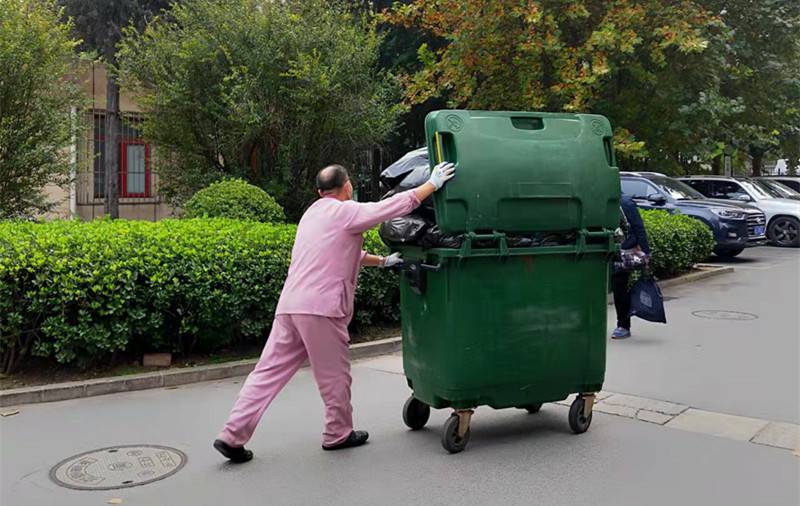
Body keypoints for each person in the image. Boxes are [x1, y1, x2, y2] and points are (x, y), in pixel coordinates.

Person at [213, 161, 456, 463]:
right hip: (321, 309)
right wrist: (431, 184)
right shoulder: (345, 212)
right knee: (335, 377)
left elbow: (344, 251)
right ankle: (338, 433)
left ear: (320, 192)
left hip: (290, 306)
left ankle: (231, 434)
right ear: (347, 186)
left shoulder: (311, 215)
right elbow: (389, 208)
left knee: (266, 373)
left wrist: (384, 262)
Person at [611, 195, 651, 339]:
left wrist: (646, 253)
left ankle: (623, 325)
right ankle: (622, 325)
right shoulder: (603, 202)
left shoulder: (625, 203)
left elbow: (638, 227)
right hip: (610, 251)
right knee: (618, 288)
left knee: (619, 288)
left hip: (623, 252)